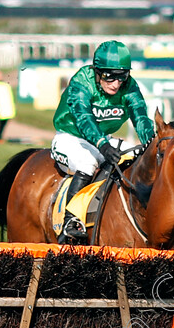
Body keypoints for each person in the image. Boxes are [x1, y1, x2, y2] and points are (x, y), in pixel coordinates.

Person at [50, 40, 155, 243]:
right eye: (109, 76)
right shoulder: (82, 81)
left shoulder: (130, 86)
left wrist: (150, 142)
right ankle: (71, 222)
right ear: (97, 71)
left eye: (122, 77)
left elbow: (140, 117)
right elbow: (83, 118)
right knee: (87, 163)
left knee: (137, 156)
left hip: (102, 140)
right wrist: (103, 145)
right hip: (70, 137)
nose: (116, 84)